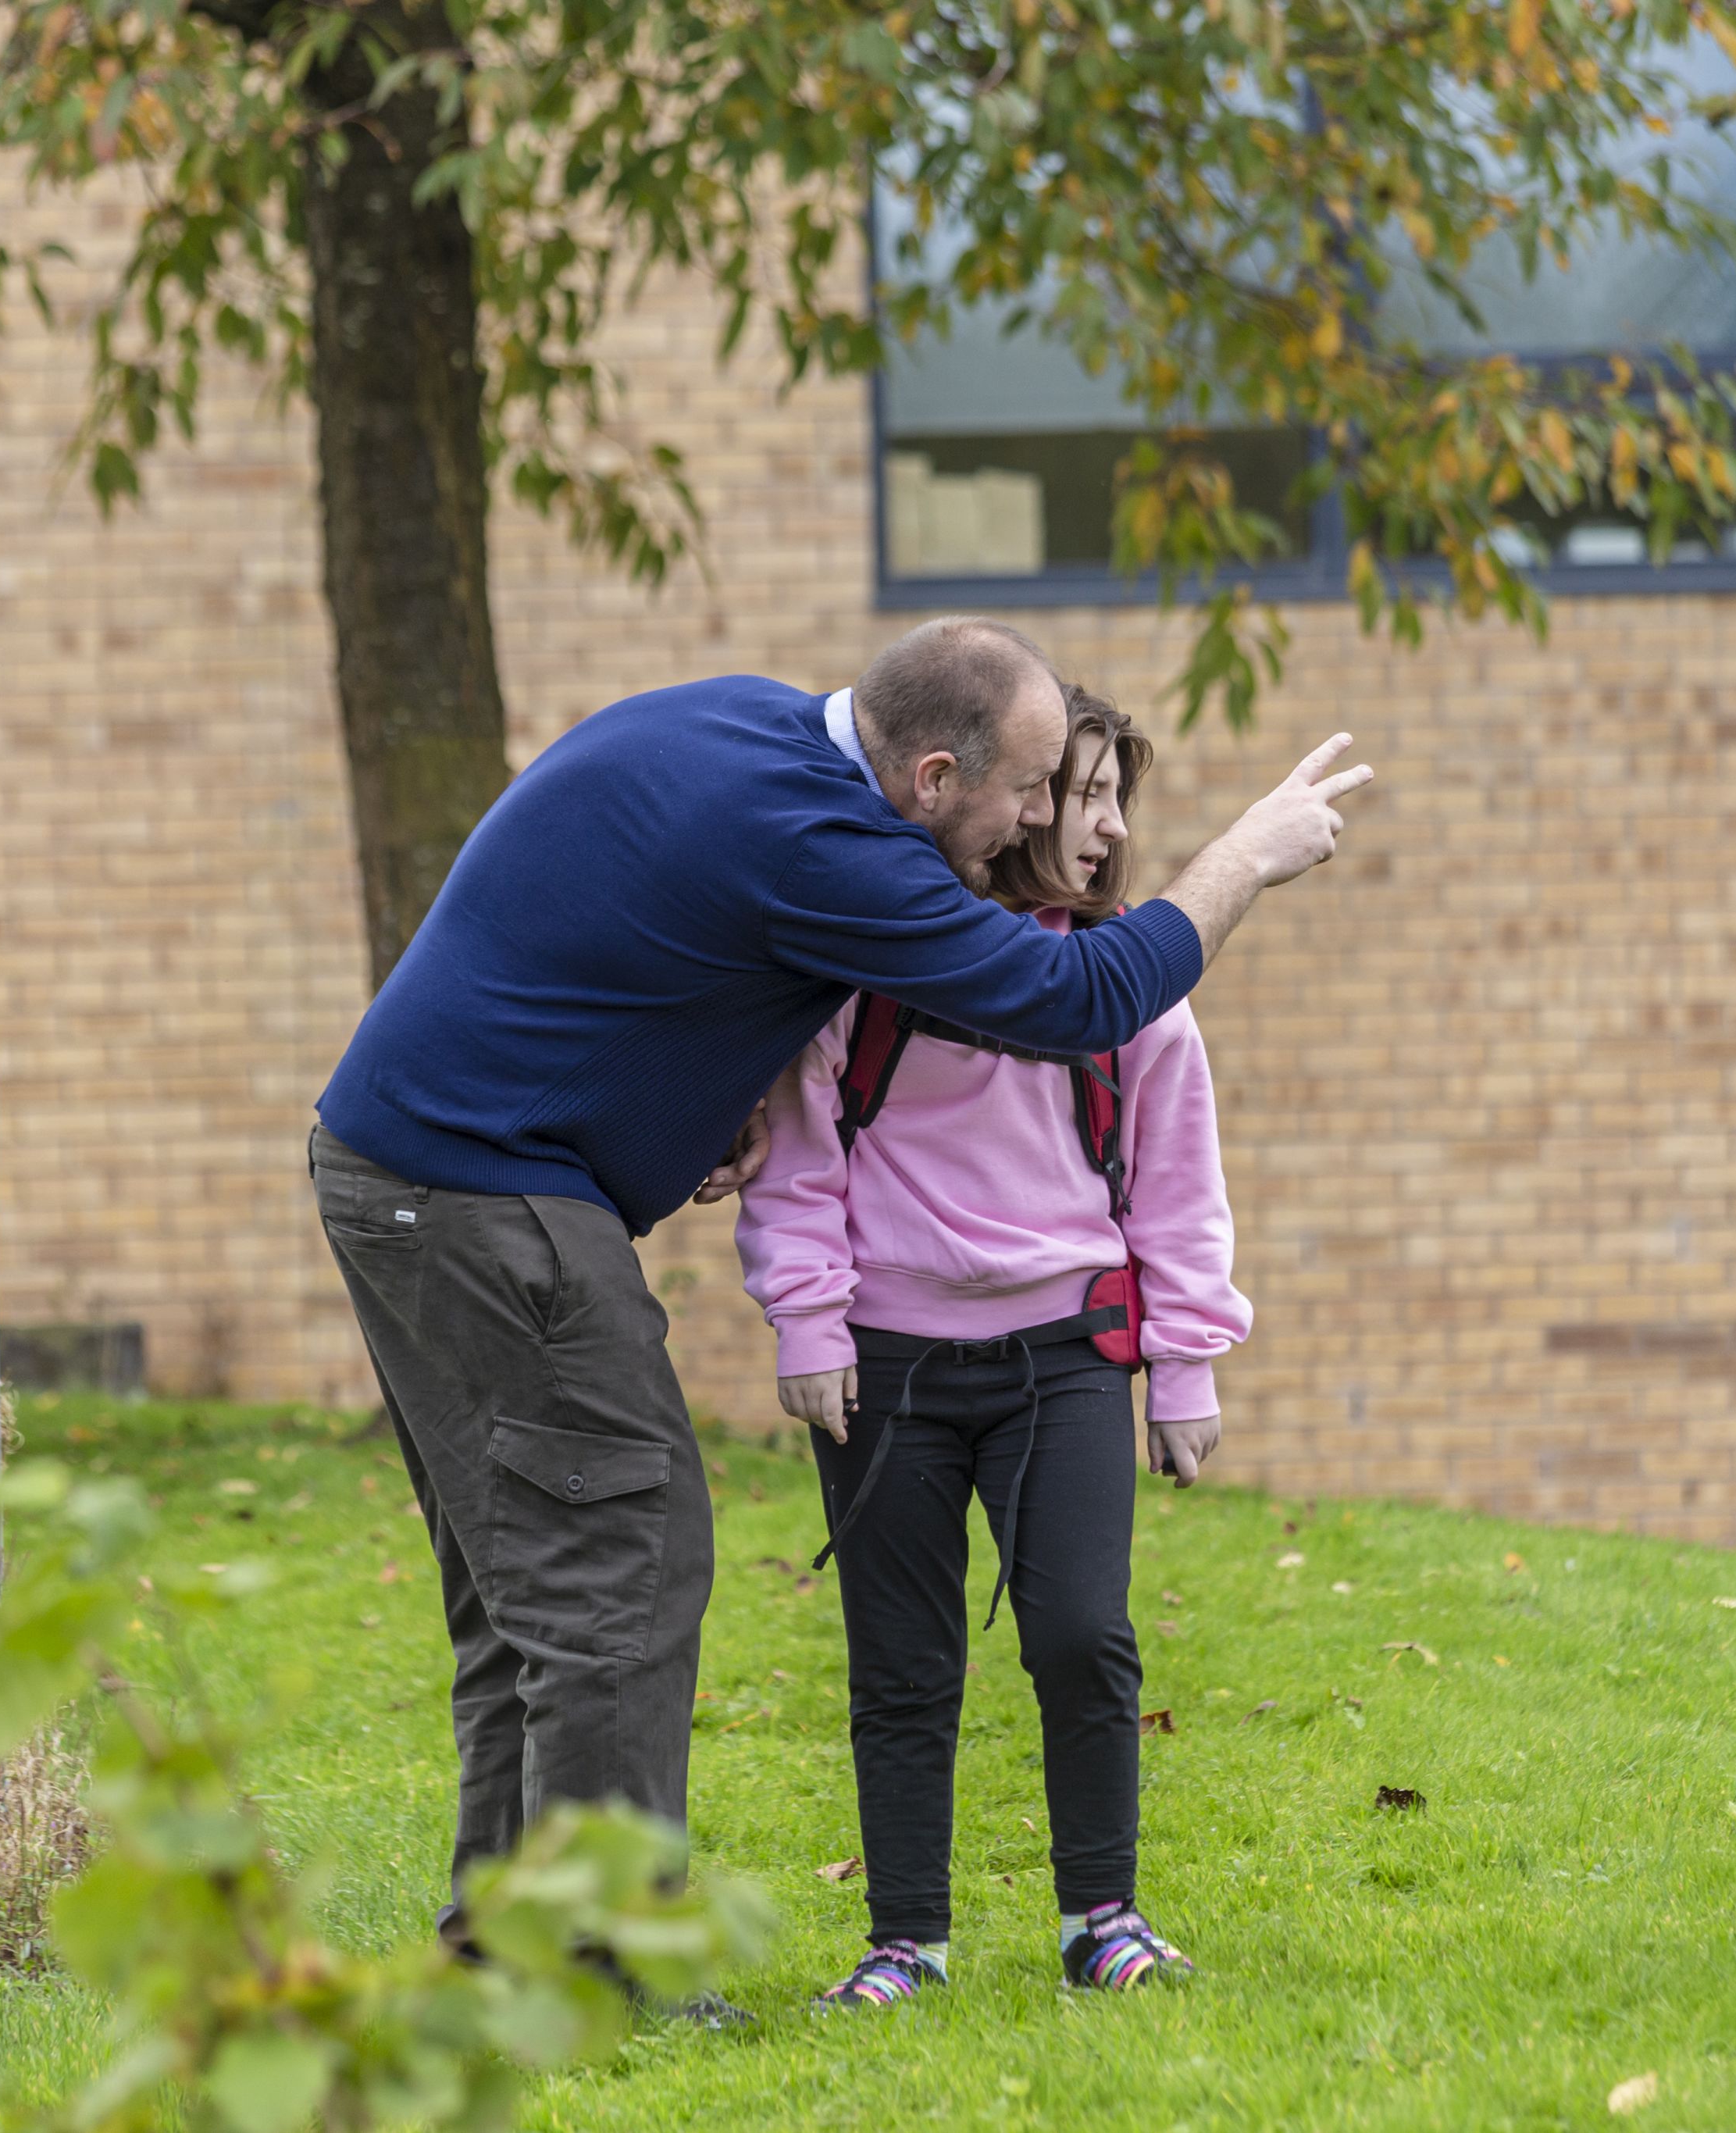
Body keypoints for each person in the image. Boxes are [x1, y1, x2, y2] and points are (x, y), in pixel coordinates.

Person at [306, 619, 1371, 1987]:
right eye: (1032, 789)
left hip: (408, 1165)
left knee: (530, 1587)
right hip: (477, 1194)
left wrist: (704, 1088)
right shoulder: (831, 849)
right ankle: (587, 1971)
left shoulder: (754, 731)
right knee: (616, 1553)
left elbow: (660, 940)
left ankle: (504, 1952)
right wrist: (1243, 861)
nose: (1047, 818)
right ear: (932, 776)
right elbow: (1077, 996)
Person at [736, 685, 1242, 2006]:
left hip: (1068, 1360)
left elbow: (1176, 1193)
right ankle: (906, 1942)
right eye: (1080, 793)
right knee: (902, 1666)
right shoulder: (869, 973)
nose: (1105, 823)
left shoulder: (1138, 992)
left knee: (1082, 1636)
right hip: (887, 1367)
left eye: (1115, 797)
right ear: (1009, 805)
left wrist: (1183, 1366)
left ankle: (1103, 1924)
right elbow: (799, 1163)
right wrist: (807, 1318)